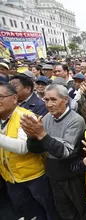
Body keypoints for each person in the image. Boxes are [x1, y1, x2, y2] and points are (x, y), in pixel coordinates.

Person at [21, 84, 86, 220]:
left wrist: (41, 135)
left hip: (72, 176)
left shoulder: (76, 120)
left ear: (65, 100)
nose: (49, 104)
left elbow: (64, 152)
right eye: (46, 100)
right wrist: (32, 136)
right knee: (64, 213)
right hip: (54, 175)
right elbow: (36, 150)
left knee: (82, 211)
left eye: (53, 100)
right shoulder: (46, 118)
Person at [0, 82, 58, 220]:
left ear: (14, 98)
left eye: (1, 97)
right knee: (26, 213)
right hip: (11, 179)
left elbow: (22, 147)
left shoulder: (26, 117)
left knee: (47, 211)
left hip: (34, 177)